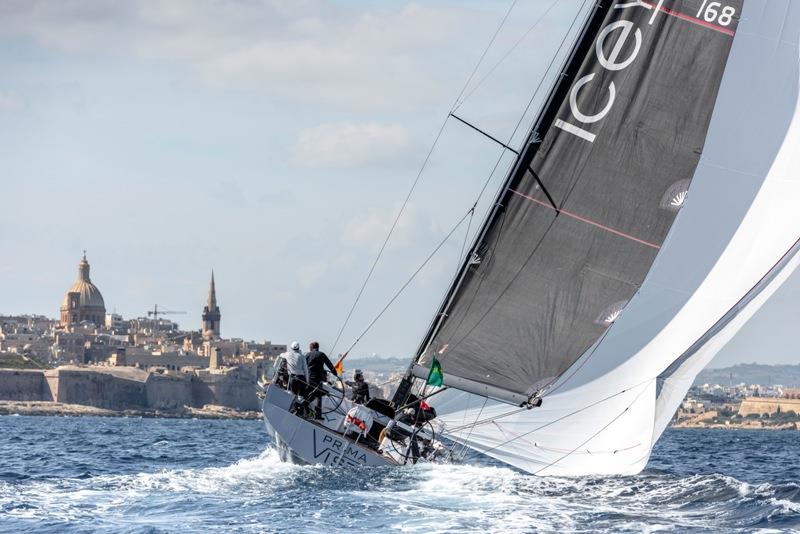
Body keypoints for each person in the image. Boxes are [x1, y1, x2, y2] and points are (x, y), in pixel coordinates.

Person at [304, 341, 338, 419]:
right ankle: (318, 415)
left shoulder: (307, 355)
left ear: (311, 348)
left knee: (308, 394)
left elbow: (303, 366)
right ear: (318, 347)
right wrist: (335, 373)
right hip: (318, 379)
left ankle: (305, 408)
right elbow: (329, 364)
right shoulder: (321, 354)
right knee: (318, 396)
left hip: (309, 378)